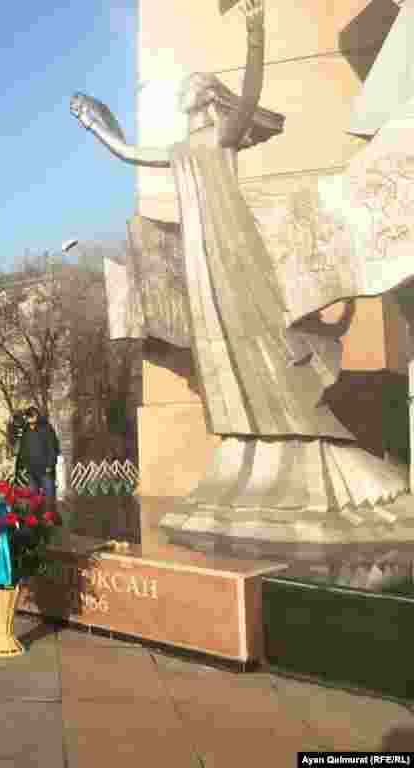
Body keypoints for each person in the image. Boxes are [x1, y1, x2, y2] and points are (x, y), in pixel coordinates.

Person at [69, 0, 406, 519]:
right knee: (218, 340)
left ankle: (307, 441)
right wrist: (96, 127)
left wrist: (254, 33)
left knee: (260, 332)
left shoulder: (220, 136)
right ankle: (247, 437)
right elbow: (131, 154)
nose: (183, 97)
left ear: (206, 100)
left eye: (190, 91)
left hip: (234, 248)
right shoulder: (181, 150)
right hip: (203, 260)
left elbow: (248, 96)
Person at [15, 406, 61, 500]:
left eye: (33, 415)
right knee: (33, 497)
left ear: (37, 416)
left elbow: (52, 447)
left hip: (45, 469)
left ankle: (50, 512)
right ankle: (35, 514)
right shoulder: (25, 431)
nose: (31, 418)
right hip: (31, 469)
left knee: (49, 495)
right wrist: (22, 465)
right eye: (29, 416)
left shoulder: (46, 428)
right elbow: (23, 449)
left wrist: (50, 465)